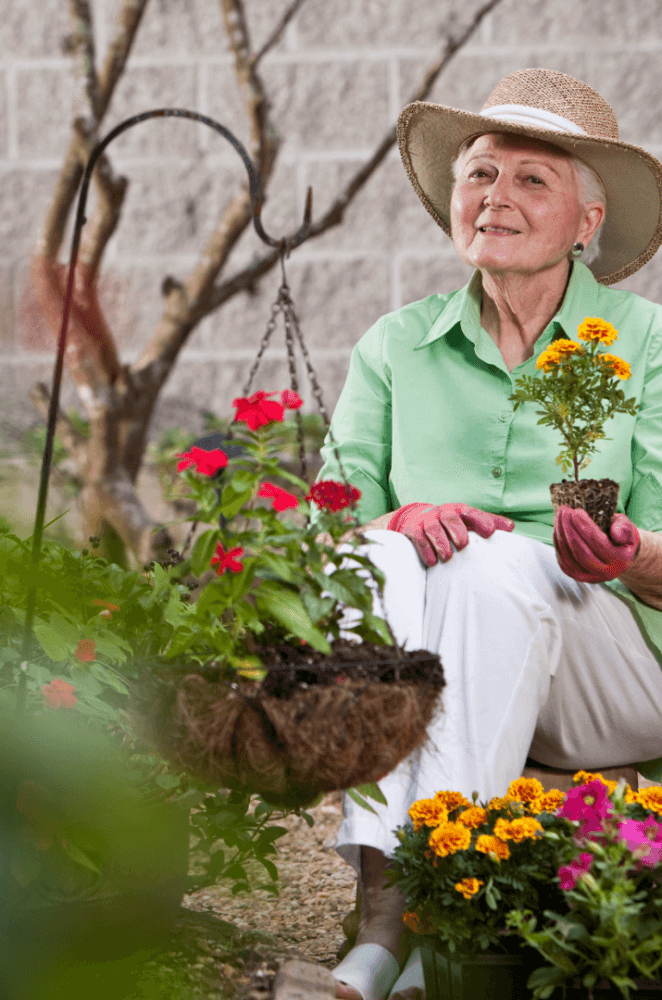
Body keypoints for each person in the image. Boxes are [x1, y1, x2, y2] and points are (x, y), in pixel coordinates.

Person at [314, 69, 662, 1000]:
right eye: (479, 173)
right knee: (383, 551)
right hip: (449, 642)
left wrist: (634, 553)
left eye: (531, 178)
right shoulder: (396, 345)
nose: (494, 196)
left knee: (497, 558)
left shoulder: (646, 345)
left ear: (588, 222)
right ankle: (394, 936)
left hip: (614, 675)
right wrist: (396, 516)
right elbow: (331, 517)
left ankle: (433, 922)